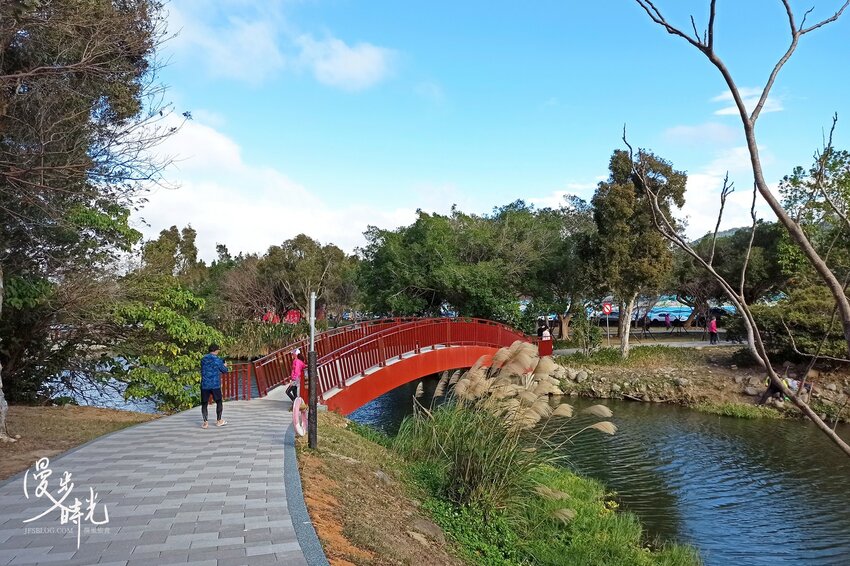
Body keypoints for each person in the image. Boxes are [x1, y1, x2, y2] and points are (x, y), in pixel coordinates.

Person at [200, 344, 228, 429]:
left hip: (205, 384)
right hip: (215, 385)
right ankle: (219, 421)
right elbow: (224, 371)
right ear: (216, 350)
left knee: (204, 403)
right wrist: (225, 365)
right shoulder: (217, 360)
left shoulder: (203, 359)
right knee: (219, 401)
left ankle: (205, 422)